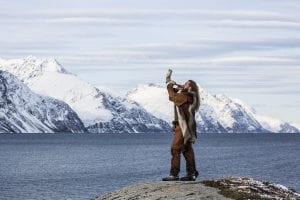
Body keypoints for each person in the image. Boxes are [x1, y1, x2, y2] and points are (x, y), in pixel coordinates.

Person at [162, 69, 200, 181]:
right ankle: (191, 174)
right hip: (186, 127)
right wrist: (173, 85)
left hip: (183, 127)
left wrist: (169, 85)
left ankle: (174, 174)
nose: (184, 84)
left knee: (175, 149)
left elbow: (173, 97)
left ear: (190, 87)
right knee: (187, 149)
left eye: (186, 83)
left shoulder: (186, 97)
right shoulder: (187, 96)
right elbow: (173, 96)